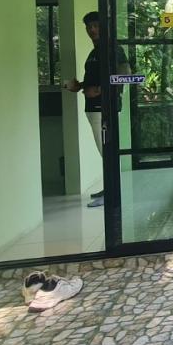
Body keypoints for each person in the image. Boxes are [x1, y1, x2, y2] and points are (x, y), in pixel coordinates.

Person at [65, 11, 130, 208]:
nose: (92, 30)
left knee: (107, 151)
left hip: (106, 108)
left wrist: (101, 90)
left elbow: (125, 74)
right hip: (93, 108)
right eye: (89, 27)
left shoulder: (112, 48)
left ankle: (112, 193)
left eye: (96, 25)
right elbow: (94, 80)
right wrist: (79, 85)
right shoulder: (95, 51)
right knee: (104, 152)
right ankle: (109, 188)